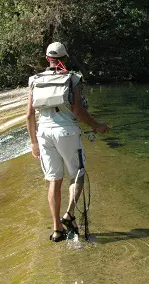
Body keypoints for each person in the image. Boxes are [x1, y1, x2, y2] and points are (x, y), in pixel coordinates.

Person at [26, 42, 109, 242]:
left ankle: (57, 230)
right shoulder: (73, 78)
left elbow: (29, 115)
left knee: (54, 181)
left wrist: (34, 143)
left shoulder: (34, 80)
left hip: (44, 133)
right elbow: (78, 111)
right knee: (77, 175)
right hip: (67, 133)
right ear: (64, 59)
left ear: (47, 59)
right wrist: (96, 126)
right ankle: (69, 214)